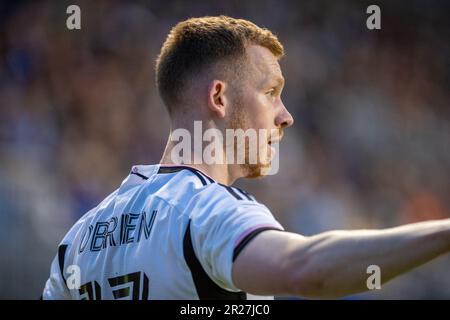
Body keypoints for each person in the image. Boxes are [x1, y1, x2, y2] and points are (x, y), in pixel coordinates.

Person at [42, 15, 450, 300]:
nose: (285, 116)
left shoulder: (77, 240)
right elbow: (305, 269)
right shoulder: (207, 210)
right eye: (271, 92)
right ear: (219, 97)